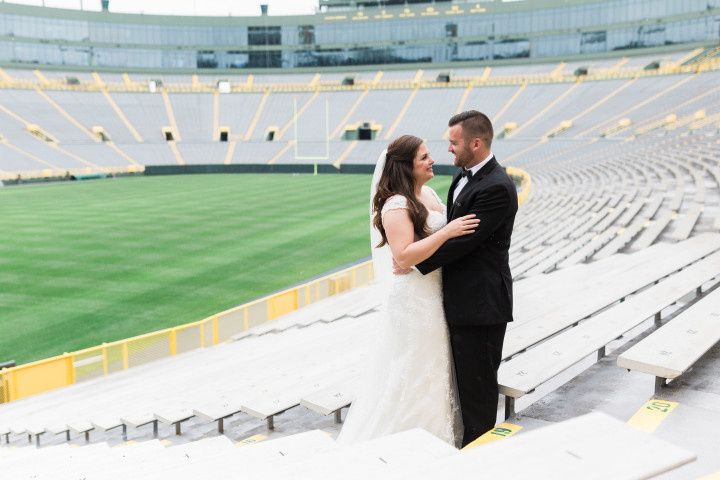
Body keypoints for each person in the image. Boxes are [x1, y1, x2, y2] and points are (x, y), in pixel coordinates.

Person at [336, 134, 479, 446]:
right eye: (424, 157)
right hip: (415, 300)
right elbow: (403, 256)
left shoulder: (427, 193)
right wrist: (449, 232)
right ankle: (404, 441)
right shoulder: (396, 204)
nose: (431, 161)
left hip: (435, 293)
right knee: (415, 372)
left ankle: (432, 438)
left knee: (433, 371)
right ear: (406, 166)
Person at [413, 110, 518, 447]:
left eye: (453, 143)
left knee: (478, 391)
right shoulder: (463, 177)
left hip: (481, 304)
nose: (449, 149)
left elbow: (463, 243)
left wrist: (412, 261)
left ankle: (479, 458)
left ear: (475, 143)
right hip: (461, 302)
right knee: (464, 386)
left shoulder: (497, 186)